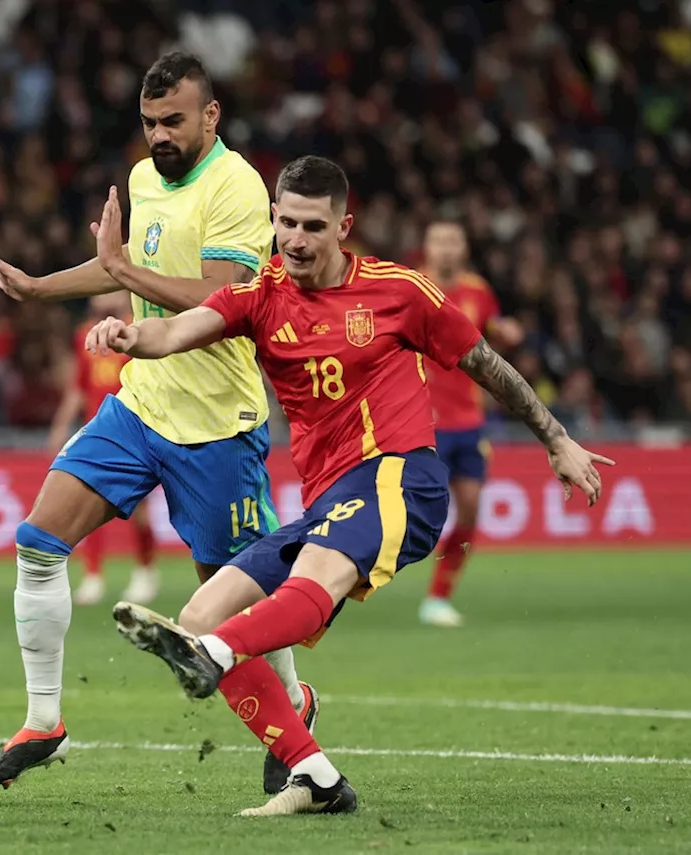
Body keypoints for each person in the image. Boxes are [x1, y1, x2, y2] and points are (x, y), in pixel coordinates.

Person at [88, 155, 613, 816]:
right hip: (329, 499)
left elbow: (483, 361)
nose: (295, 239)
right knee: (202, 610)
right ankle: (316, 776)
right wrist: (129, 334)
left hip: (401, 476)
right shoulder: (260, 292)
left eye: (312, 225)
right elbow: (177, 329)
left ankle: (213, 656)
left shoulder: (400, 292)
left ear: (344, 226)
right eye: (285, 223)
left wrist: (556, 438)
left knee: (305, 581)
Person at [0, 52, 315, 790]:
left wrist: (123, 274)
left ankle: (298, 701)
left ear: (210, 115)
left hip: (217, 422)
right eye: (149, 121)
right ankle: (44, 721)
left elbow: (220, 299)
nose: (158, 134)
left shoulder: (238, 187)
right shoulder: (143, 178)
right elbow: (115, 264)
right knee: (38, 540)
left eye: (173, 121)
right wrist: (39, 288)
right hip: (140, 402)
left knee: (228, 597)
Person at [419, 219, 523, 628]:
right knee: (415, 516)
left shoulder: (478, 290)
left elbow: (492, 329)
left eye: (453, 241)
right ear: (427, 248)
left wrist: (507, 332)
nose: (446, 248)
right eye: (439, 240)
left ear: (463, 248)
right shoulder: (412, 286)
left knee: (471, 512)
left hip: (469, 421)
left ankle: (437, 598)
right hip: (423, 421)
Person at [46, 292, 158, 607]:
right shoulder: (85, 334)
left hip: (135, 430)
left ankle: (145, 572)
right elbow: (79, 389)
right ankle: (94, 576)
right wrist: (60, 426)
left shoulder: (141, 329)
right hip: (96, 433)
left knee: (139, 511)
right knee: (86, 504)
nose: (100, 294)